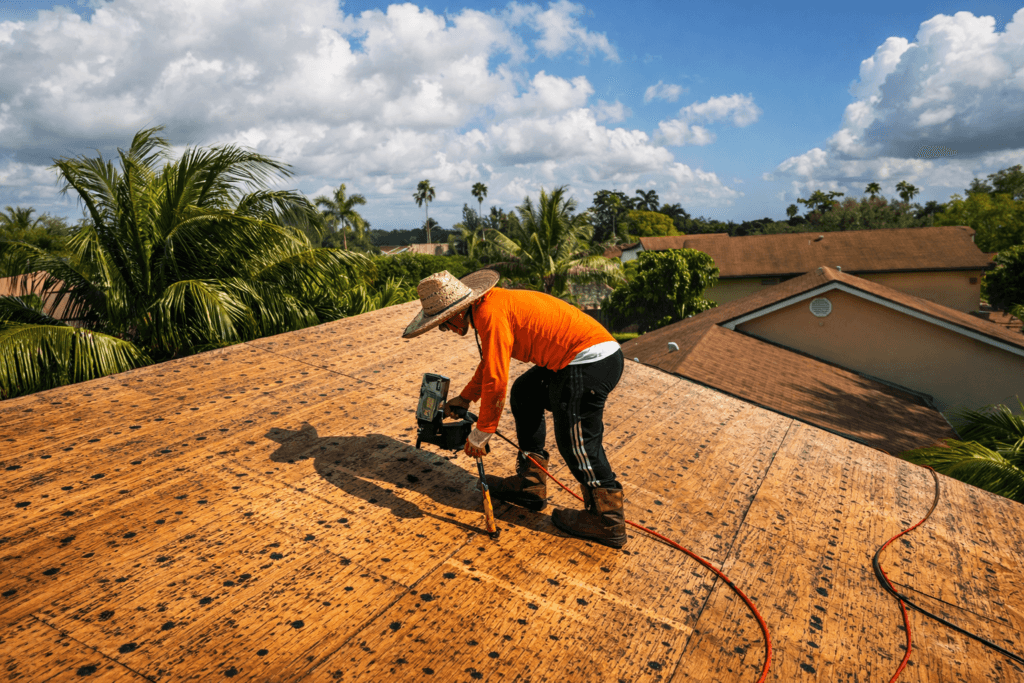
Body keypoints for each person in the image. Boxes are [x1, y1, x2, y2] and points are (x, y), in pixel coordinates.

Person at [403, 269, 627, 548]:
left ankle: (607, 519)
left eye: (442, 323)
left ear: (457, 312)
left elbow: (496, 378)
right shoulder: (489, 306)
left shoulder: (489, 314)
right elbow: (491, 362)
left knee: (576, 441)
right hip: (580, 357)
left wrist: (483, 432)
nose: (444, 329)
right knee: (525, 393)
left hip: (590, 361)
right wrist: (465, 398)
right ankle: (531, 483)